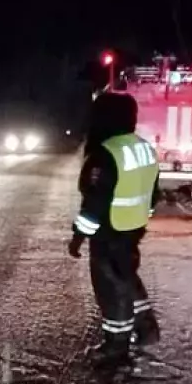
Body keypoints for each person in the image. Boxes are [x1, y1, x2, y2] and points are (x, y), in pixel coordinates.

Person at [68, 92, 161, 365]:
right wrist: (142, 220)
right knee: (127, 277)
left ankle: (116, 346)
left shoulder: (105, 153)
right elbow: (153, 193)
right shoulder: (143, 147)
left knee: (111, 288)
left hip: (109, 231)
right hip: (132, 228)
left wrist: (79, 236)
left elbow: (95, 203)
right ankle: (146, 328)